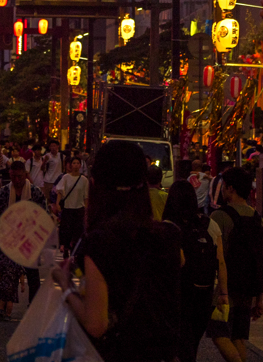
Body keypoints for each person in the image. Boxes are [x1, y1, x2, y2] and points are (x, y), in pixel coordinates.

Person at [54, 140, 181, 362]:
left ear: (96, 184)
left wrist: (65, 285)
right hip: (163, 353)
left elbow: (96, 324)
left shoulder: (100, 242)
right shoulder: (168, 235)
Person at [211, 167, 263, 362]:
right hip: (247, 289)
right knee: (238, 336)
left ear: (230, 188)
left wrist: (221, 292)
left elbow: (217, 257)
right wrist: (259, 298)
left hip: (225, 289)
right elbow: (260, 260)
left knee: (217, 331)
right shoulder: (258, 219)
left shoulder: (219, 217)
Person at [163, 180, 228, 362]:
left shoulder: (169, 226)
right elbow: (220, 261)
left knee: (181, 343)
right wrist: (223, 293)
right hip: (204, 291)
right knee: (193, 342)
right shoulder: (209, 224)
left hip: (179, 293)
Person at [0, 160, 47, 319]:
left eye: (20, 176)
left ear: (25, 175)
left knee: (32, 273)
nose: (17, 180)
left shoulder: (35, 192)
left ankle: (33, 306)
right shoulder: (3, 192)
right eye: (14, 176)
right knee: (3, 272)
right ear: (10, 175)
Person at [53, 155, 88, 254]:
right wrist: (58, 204)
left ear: (80, 165)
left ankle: (74, 249)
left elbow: (86, 196)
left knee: (77, 229)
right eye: (74, 163)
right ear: (70, 165)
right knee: (66, 229)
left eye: (77, 163)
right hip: (68, 207)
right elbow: (60, 191)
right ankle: (65, 247)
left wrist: (86, 209)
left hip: (79, 208)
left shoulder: (84, 180)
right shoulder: (66, 177)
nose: (76, 165)